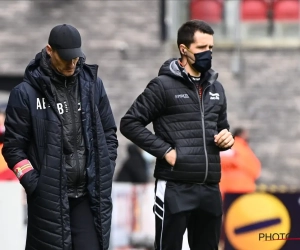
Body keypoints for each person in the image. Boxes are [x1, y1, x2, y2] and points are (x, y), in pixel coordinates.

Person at [120, 20, 234, 250]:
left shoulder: (216, 88)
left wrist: (226, 138)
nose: (208, 53)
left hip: (210, 186)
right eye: (202, 48)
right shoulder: (162, 86)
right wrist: (165, 151)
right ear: (184, 49)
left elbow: (222, 127)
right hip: (175, 186)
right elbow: (129, 123)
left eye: (211, 48)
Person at [2, 24, 118, 250]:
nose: (72, 64)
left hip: (88, 195)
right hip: (49, 200)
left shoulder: (93, 85)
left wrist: (106, 166)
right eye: (66, 59)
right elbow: (13, 148)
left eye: (75, 59)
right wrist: (36, 184)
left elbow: (109, 133)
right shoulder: (25, 93)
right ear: (49, 50)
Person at [219, 127, 261, 199]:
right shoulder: (244, 150)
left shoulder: (222, 147)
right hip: (242, 190)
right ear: (243, 135)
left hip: (222, 190)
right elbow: (256, 171)